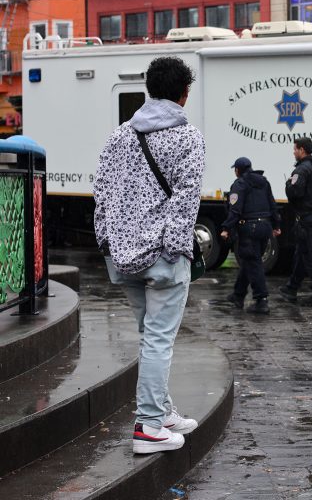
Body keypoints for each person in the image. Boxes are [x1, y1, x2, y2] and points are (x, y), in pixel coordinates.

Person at [94, 56, 205, 454]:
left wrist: (106, 242)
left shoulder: (118, 136)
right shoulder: (188, 137)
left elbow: (101, 194)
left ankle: (162, 411)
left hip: (122, 257)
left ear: (149, 89)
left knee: (149, 338)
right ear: (184, 94)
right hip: (162, 257)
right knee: (159, 340)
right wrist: (177, 250)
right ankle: (149, 427)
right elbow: (186, 199)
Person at [220, 157, 281, 314]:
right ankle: (238, 295)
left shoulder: (239, 184)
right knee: (249, 260)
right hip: (265, 227)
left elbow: (235, 209)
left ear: (238, 170)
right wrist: (276, 225)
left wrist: (226, 228)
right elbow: (272, 205)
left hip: (249, 228)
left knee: (253, 263)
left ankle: (262, 300)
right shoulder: (264, 182)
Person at [279, 137, 312, 307]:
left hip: (307, 219)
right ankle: (291, 288)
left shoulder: (301, 170)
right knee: (302, 254)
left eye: (295, 149)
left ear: (302, 150)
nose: (293, 152)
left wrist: (288, 184)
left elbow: (295, 193)